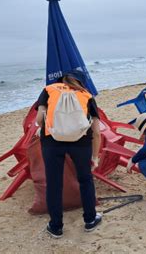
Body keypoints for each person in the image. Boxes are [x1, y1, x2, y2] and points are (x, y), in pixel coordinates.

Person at [35, 70, 102, 238]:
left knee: (54, 184)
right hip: (80, 143)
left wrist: (42, 127)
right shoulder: (86, 95)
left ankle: (56, 226)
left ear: (62, 79)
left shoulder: (49, 89)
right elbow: (97, 131)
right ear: (81, 81)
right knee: (85, 180)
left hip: (52, 142)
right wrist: (95, 157)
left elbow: (38, 120)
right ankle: (90, 220)